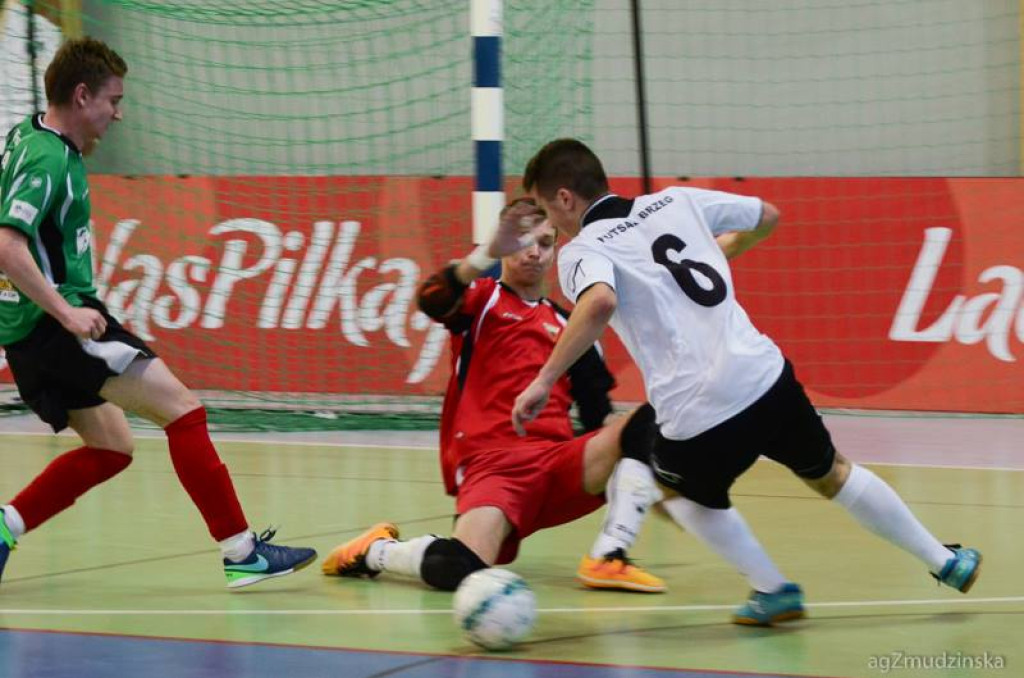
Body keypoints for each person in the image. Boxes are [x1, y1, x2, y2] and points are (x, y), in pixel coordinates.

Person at [511, 138, 982, 626]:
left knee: (676, 493)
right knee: (832, 472)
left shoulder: (583, 249)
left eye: (549, 208)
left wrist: (545, 380)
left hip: (698, 408)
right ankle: (945, 560)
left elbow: (600, 302)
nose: (554, 224)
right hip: (765, 374)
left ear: (565, 197)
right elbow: (766, 216)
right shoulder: (676, 200)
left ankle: (772, 589)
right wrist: (720, 255)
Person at [0, 37, 316, 589]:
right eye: (113, 100)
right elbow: (7, 244)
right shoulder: (48, 157)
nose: (118, 113)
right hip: (57, 325)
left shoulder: (28, 136)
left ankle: (5, 525)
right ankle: (241, 552)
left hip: (28, 333)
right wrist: (67, 313)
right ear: (82, 95)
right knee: (183, 410)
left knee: (112, 448)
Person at [321, 200, 668, 593]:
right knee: (454, 568)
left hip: (557, 466)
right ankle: (376, 551)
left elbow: (598, 418)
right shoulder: (482, 300)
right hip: (495, 468)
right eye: (522, 242)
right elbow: (432, 298)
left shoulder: (572, 328)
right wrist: (484, 254)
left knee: (653, 418)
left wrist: (656, 456)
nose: (534, 252)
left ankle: (610, 553)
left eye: (545, 243)